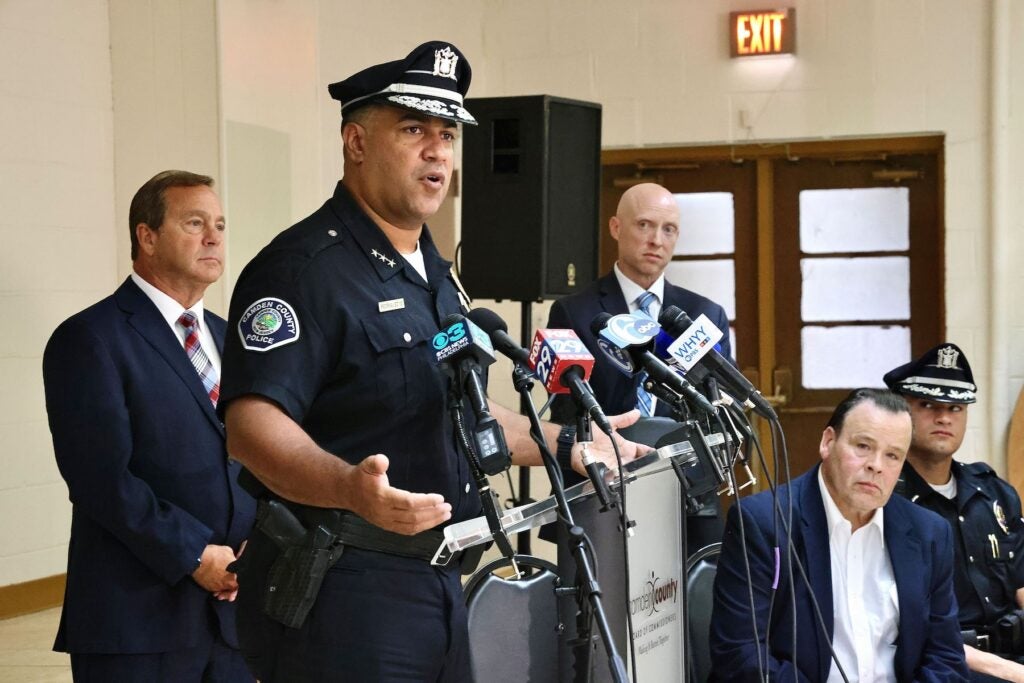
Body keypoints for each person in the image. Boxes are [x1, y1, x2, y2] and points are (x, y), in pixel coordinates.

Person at [218, 41, 645, 682]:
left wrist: (574, 444)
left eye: (447, 133)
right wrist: (348, 489)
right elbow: (251, 428)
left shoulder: (436, 275)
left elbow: (464, 415)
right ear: (356, 143)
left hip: (442, 577)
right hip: (346, 590)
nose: (438, 151)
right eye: (414, 129)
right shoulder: (303, 270)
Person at [42, 170, 256, 681]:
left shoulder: (234, 339)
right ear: (147, 235)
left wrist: (259, 550)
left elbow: (257, 456)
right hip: (137, 621)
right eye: (195, 223)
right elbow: (101, 479)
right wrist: (194, 555)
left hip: (234, 615)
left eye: (221, 226)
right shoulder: (90, 339)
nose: (213, 238)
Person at [709, 388, 968, 682]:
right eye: (863, 446)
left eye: (893, 456)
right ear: (828, 442)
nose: (876, 465)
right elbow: (740, 655)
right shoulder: (764, 523)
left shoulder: (929, 533)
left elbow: (945, 657)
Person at [546, 181, 732, 550]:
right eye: (644, 225)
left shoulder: (704, 315)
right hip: (605, 487)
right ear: (616, 228)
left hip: (686, 490)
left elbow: (718, 406)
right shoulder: (575, 312)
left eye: (669, 230)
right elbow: (565, 412)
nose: (656, 240)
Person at [885, 343, 1024, 682]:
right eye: (928, 404)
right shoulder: (887, 502)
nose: (944, 417)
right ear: (904, 410)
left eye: (956, 407)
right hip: (942, 663)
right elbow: (903, 627)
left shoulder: (993, 492)